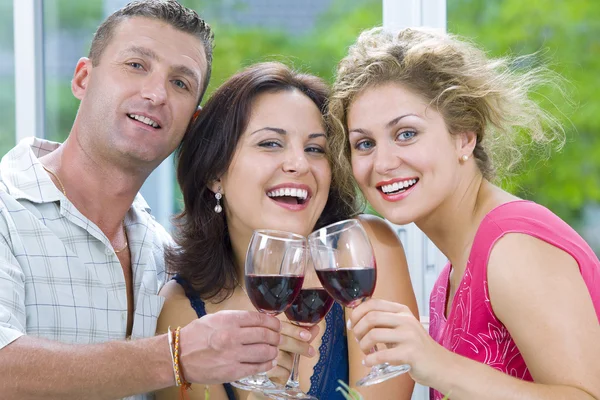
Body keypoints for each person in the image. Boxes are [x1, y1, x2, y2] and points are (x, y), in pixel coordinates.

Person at [0, 2, 283, 399]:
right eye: (136, 65)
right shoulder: (5, 208)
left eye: (180, 83)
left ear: (192, 123)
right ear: (83, 78)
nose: (155, 94)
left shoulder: (165, 256)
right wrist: (176, 357)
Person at [328, 27, 600, 400]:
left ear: (465, 137)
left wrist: (436, 362)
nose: (384, 162)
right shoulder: (452, 276)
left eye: (406, 133)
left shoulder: (513, 245)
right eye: (365, 143)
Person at [155, 61, 418, 400]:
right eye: (270, 144)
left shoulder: (364, 251)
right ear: (214, 172)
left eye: (314, 149)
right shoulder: (180, 310)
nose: (299, 164)